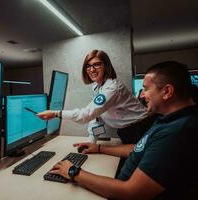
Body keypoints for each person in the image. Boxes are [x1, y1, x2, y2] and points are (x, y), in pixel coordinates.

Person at [49, 61, 198, 199]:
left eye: (146, 89)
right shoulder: (168, 120)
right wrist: (99, 148)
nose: (142, 95)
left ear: (167, 91)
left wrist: (74, 172)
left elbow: (131, 192)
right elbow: (139, 148)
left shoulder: (176, 133)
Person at [37, 49, 153, 144]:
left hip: (141, 128)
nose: (92, 69)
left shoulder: (111, 88)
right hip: (128, 131)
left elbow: (86, 115)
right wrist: (92, 142)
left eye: (97, 65)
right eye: (88, 66)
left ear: (106, 66)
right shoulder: (98, 87)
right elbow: (97, 118)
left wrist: (55, 113)